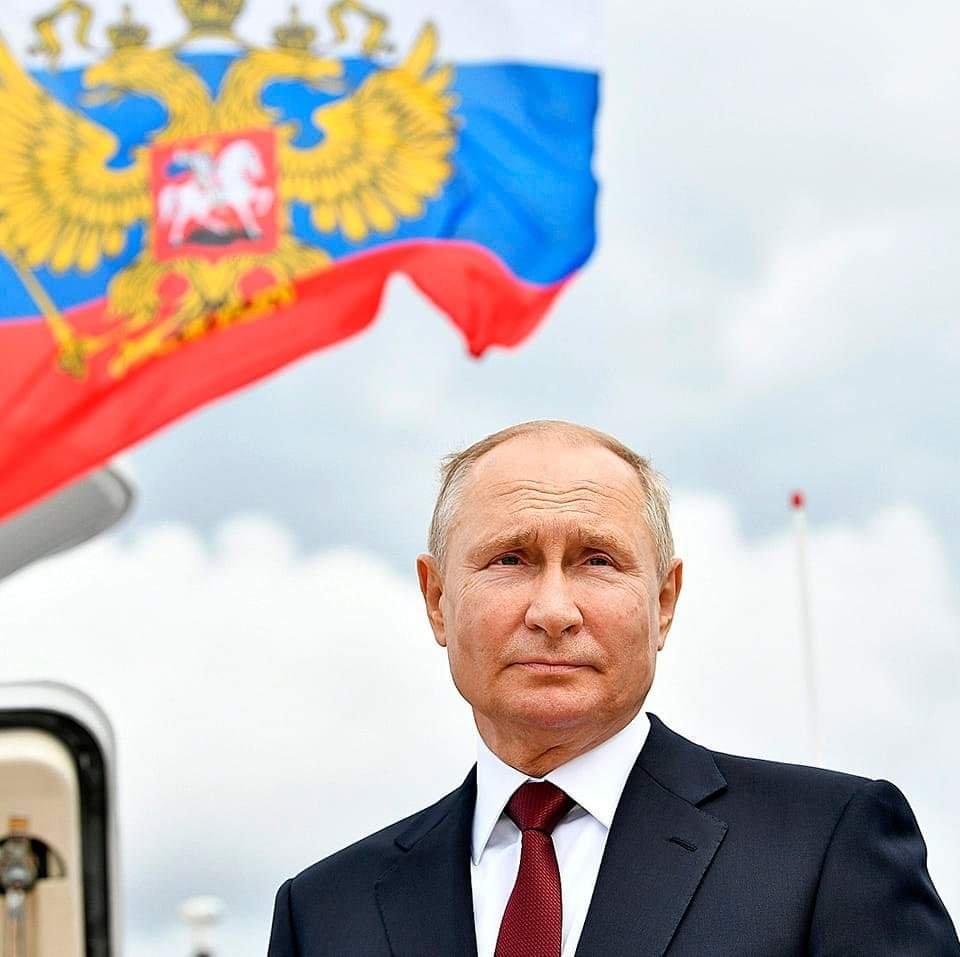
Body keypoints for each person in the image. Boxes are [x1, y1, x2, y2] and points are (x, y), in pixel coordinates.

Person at [268, 420, 959, 956]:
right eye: (510, 559)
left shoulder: (825, 847)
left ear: (663, 602)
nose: (553, 610)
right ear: (437, 599)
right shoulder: (324, 913)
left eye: (597, 560)